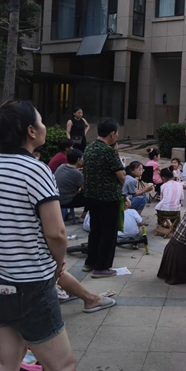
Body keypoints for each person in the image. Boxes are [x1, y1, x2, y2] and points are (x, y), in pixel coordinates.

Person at [0, 100, 81, 371]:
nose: (45, 126)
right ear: (31, 131)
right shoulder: (36, 170)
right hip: (29, 284)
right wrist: (57, 264)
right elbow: (57, 233)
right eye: (41, 121)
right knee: (62, 368)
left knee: (6, 362)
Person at [82, 117, 126, 279]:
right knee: (108, 233)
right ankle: (102, 267)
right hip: (108, 198)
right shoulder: (109, 151)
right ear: (112, 134)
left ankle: (90, 262)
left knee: (95, 230)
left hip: (91, 196)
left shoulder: (89, 148)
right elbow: (122, 176)